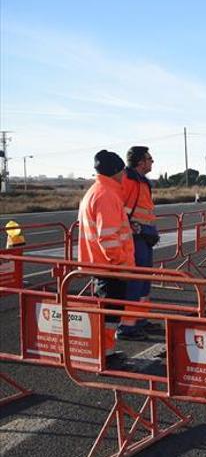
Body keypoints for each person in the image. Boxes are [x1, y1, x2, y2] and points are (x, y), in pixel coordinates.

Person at [78, 150, 134, 354]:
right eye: (123, 171)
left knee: (107, 311)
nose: (125, 175)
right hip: (110, 267)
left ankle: (104, 351)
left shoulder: (97, 190)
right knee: (109, 313)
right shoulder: (106, 194)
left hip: (101, 264)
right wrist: (121, 263)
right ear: (117, 171)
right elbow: (107, 237)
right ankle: (104, 354)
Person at [120, 146, 160, 339]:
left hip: (145, 236)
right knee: (135, 281)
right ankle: (127, 327)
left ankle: (140, 319)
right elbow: (119, 208)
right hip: (134, 238)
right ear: (140, 162)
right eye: (149, 158)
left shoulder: (143, 182)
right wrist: (131, 227)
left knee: (144, 280)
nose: (152, 161)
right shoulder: (128, 180)